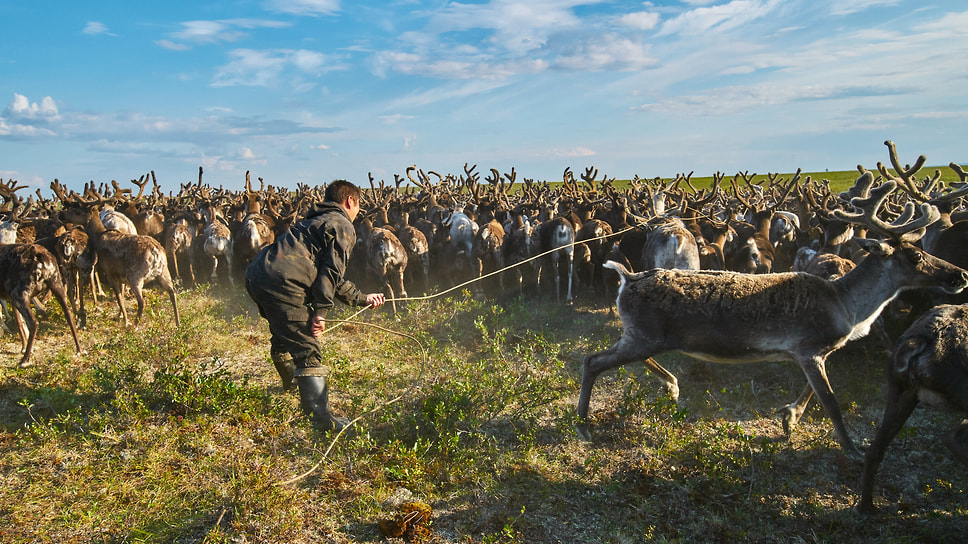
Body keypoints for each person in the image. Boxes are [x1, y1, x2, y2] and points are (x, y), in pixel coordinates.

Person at [246, 179, 385, 432]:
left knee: (283, 333)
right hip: (283, 281)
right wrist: (320, 313)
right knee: (307, 346)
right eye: (358, 205)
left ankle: (290, 386)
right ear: (349, 201)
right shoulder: (342, 225)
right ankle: (320, 419)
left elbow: (326, 274)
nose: (357, 212)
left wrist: (363, 298)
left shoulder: (312, 222)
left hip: (258, 274)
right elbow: (330, 273)